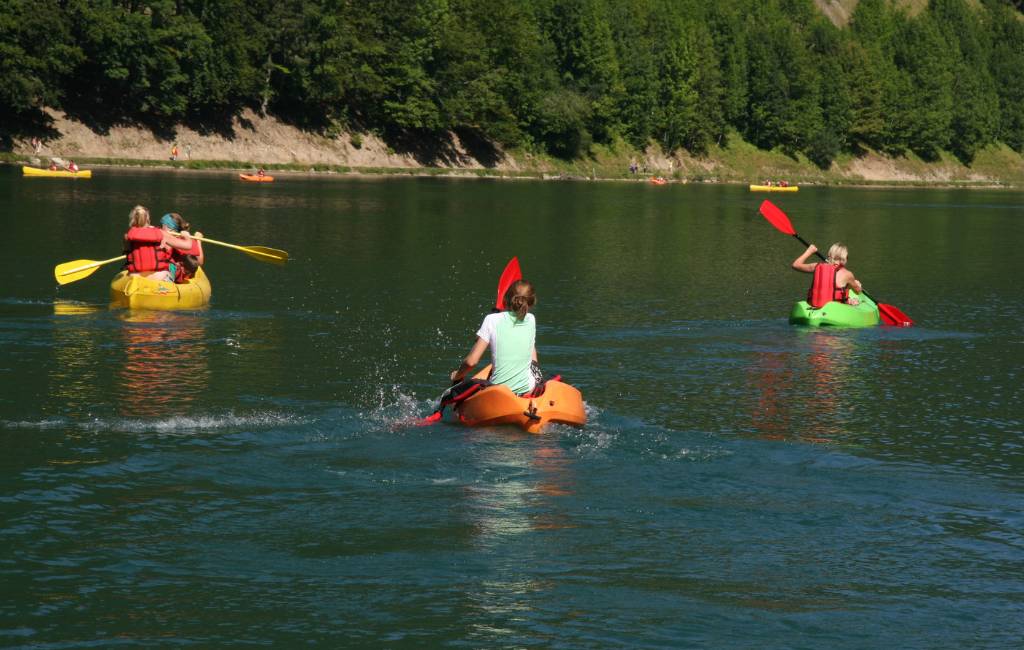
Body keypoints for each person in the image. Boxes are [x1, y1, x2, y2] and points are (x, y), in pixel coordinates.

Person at [450, 280, 542, 396]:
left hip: (498, 392)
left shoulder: (491, 320)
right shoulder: (531, 319)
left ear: (506, 299)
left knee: (461, 389)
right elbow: (533, 358)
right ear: (532, 302)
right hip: (527, 389)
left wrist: (457, 375)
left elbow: (471, 362)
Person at [123, 206, 190, 282]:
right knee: (171, 271)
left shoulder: (127, 236)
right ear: (148, 220)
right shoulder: (161, 233)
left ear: (132, 220)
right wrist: (187, 237)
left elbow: (127, 252)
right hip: (159, 277)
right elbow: (188, 246)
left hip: (135, 277)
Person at [792, 242, 863, 307]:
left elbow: (795, 265)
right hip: (834, 309)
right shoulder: (847, 274)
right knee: (855, 301)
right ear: (845, 258)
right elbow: (858, 290)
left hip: (814, 305)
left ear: (829, 255)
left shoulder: (817, 266)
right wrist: (857, 284)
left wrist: (809, 251)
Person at [163, 213, 205, 283]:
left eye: (162, 225)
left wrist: (198, 241)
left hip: (175, 275)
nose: (160, 227)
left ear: (171, 229)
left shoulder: (183, 241)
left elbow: (199, 262)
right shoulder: (162, 235)